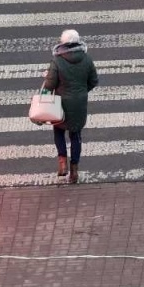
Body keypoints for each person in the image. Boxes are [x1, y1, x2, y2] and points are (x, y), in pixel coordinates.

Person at [44, 28, 99, 184]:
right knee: (76, 136)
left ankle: (62, 163)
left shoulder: (57, 61)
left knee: (59, 131)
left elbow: (49, 85)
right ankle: (74, 171)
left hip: (61, 103)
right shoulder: (87, 59)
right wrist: (81, 91)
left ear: (63, 42)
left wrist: (47, 78)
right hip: (79, 103)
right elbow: (93, 81)